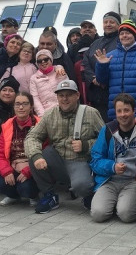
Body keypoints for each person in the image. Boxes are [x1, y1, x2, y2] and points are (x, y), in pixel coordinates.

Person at [25, 80, 104, 214]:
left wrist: (86, 145)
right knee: (35, 156)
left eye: (69, 95)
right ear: (57, 97)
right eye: (61, 95)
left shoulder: (91, 113)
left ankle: (87, 194)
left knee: (82, 186)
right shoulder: (50, 114)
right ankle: (50, 195)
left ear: (77, 95)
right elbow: (32, 137)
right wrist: (37, 156)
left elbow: (106, 140)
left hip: (80, 160)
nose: (65, 99)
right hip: (58, 159)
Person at [89, 93, 136, 223]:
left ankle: (133, 204)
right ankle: (117, 203)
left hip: (134, 181)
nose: (123, 114)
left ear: (134, 111)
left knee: (126, 215)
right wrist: (112, 167)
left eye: (126, 110)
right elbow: (95, 160)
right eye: (119, 111)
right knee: (98, 215)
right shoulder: (107, 130)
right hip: (110, 180)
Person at [94, 20, 136, 120]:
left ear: (135, 35)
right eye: (122, 34)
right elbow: (102, 81)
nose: (124, 36)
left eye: (128, 33)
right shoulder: (110, 56)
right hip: (116, 111)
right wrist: (102, 65)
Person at [0, 91, 40, 207]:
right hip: (13, 166)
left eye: (25, 104)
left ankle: (33, 195)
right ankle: (13, 196)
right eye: (17, 104)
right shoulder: (7, 125)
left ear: (31, 107)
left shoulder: (39, 124)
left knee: (26, 188)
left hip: (32, 168)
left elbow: (45, 152)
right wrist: (6, 171)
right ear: (13, 106)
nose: (21, 107)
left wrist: (28, 170)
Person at [82, 12, 120, 119]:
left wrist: (102, 78)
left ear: (118, 25)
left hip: (113, 91)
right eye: (105, 22)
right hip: (96, 94)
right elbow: (86, 62)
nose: (108, 24)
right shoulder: (95, 43)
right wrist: (93, 78)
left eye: (112, 22)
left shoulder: (120, 42)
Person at [30, 49, 69, 116]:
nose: (43, 62)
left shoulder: (60, 71)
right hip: (47, 113)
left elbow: (68, 88)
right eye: (39, 61)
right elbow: (35, 98)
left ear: (51, 59)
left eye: (46, 59)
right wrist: (42, 115)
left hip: (65, 109)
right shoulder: (33, 78)